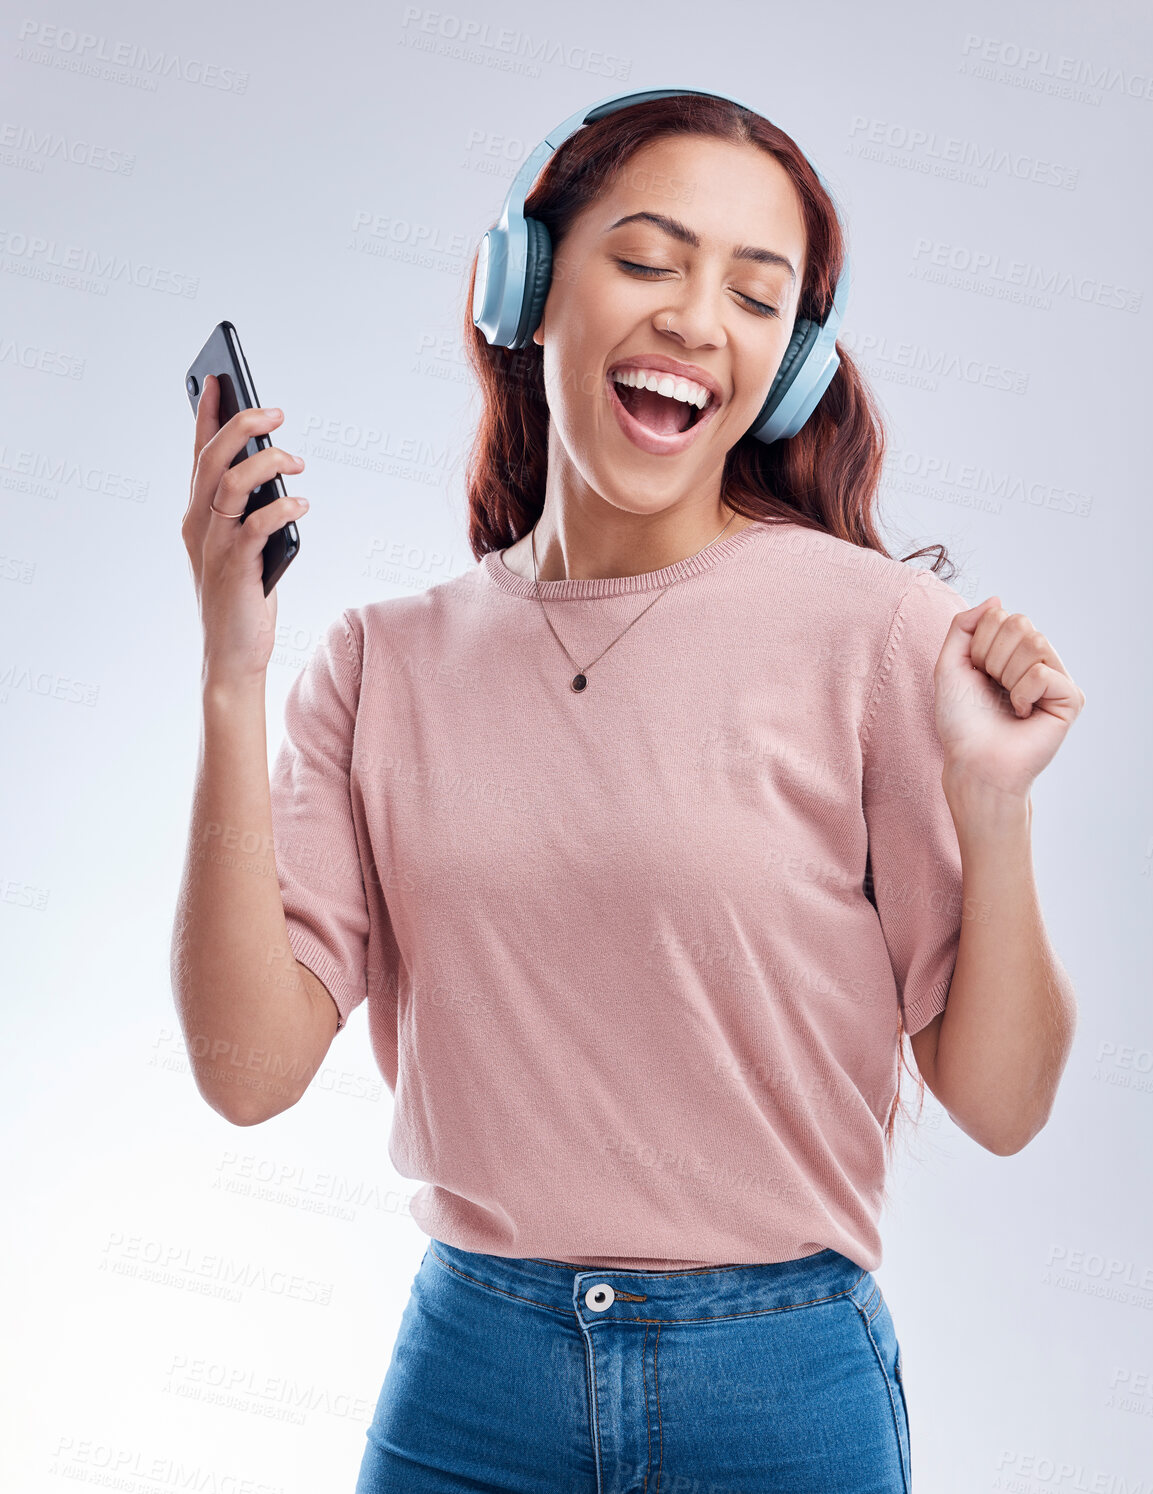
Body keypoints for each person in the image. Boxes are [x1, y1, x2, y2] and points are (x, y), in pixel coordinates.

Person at [173, 89, 1083, 1494]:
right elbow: (244, 1072)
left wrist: (994, 805)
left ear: (787, 364)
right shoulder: (380, 664)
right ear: (524, 286)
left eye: (752, 292)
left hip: (777, 1384)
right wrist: (237, 672)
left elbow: (1004, 1099)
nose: (693, 317)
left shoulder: (878, 634)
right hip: (471, 1371)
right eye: (647, 260)